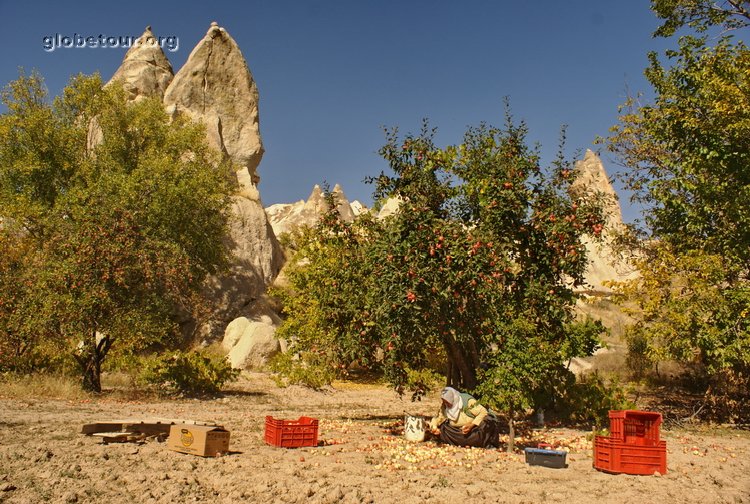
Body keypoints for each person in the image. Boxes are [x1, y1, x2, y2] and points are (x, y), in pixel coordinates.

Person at [429, 386, 501, 448]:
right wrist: (434, 426)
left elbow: (483, 412)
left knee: (487, 422)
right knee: (443, 428)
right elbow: (439, 417)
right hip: (457, 432)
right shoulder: (445, 406)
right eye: (444, 401)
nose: (445, 404)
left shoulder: (466, 401)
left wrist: (471, 425)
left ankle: (483, 442)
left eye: (447, 401)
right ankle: (464, 441)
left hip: (473, 430)